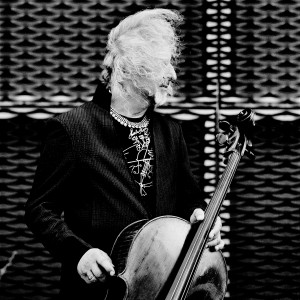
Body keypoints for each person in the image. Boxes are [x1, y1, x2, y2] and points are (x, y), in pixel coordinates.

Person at [25, 8, 224, 299]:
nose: (172, 74)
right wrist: (79, 253)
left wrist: (203, 217)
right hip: (101, 292)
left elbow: (188, 197)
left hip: (163, 287)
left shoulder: (171, 131)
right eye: (163, 64)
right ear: (132, 67)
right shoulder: (71, 129)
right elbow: (40, 210)